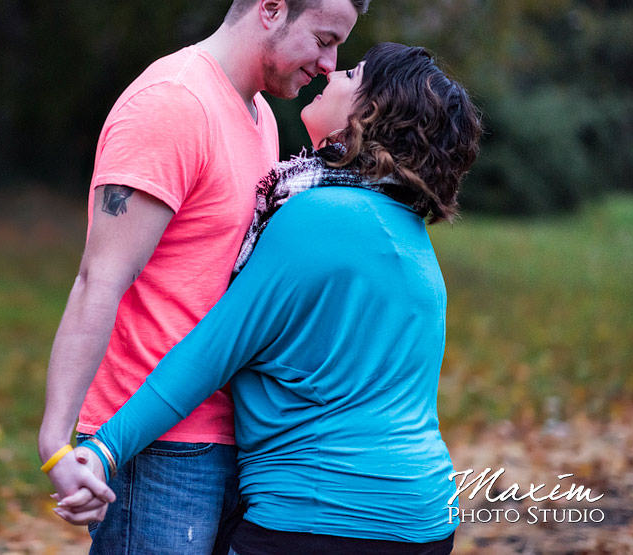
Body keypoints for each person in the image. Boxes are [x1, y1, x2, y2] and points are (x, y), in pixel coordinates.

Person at [55, 43, 483, 555]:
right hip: (424, 514)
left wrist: (104, 449)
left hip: (321, 517)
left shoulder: (318, 216)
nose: (332, 70)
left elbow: (211, 353)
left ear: (368, 112)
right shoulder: (406, 235)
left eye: (352, 72)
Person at [38, 0, 372, 553]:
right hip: (154, 444)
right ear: (271, 8)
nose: (330, 65)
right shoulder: (173, 104)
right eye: (324, 40)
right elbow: (98, 278)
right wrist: (58, 441)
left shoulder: (260, 117)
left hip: (234, 437)